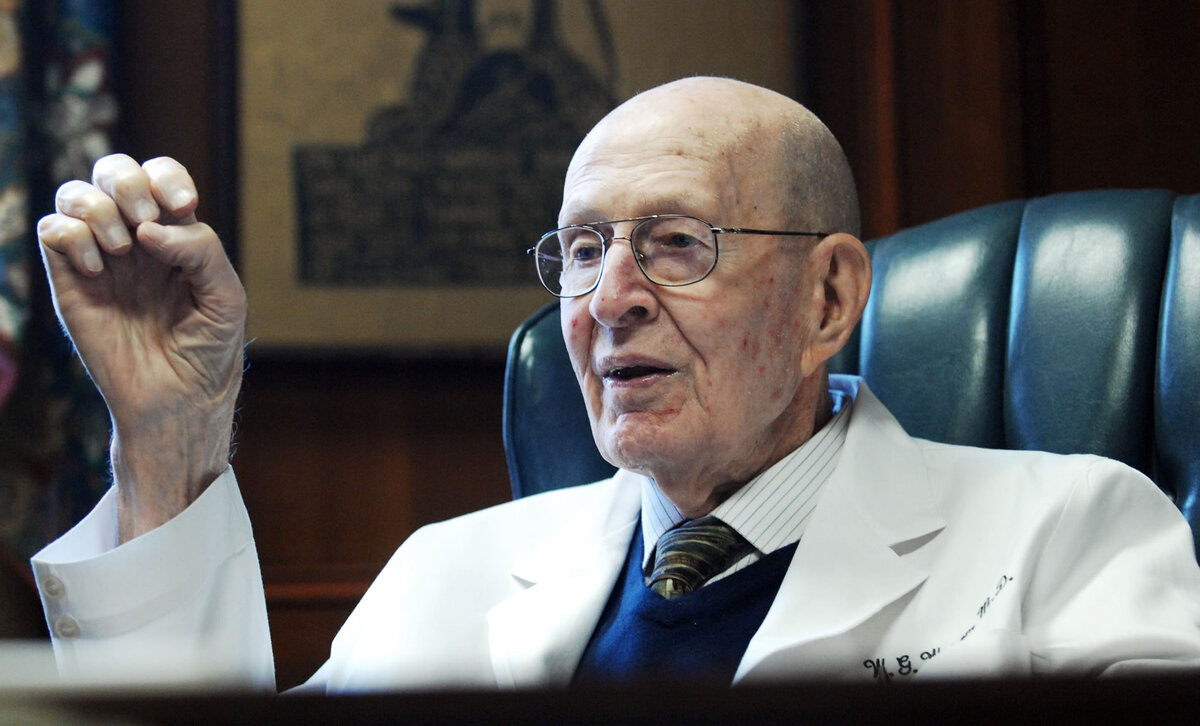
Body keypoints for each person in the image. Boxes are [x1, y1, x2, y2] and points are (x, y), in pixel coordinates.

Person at [30, 77, 1200, 691]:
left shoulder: (1072, 528)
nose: (606, 299)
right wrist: (170, 432)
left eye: (679, 242)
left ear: (831, 303)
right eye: (583, 249)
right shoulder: (452, 570)